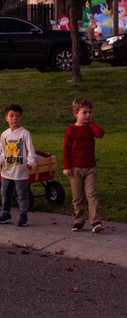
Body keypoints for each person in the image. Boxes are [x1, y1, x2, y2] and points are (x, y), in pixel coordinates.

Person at [63, 97, 105, 233]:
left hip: (90, 168)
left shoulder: (90, 129)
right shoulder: (71, 130)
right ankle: (79, 221)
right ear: (76, 113)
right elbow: (66, 150)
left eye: (90, 112)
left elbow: (100, 134)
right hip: (75, 169)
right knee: (77, 197)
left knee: (91, 194)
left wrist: (91, 123)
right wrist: (66, 167)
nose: (88, 115)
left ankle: (96, 222)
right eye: (85, 112)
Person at [0, 104, 37, 227]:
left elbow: (31, 153)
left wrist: (30, 163)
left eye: (17, 116)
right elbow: (2, 153)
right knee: (5, 192)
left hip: (20, 172)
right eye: (11, 116)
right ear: (6, 118)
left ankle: (23, 215)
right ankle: (6, 214)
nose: (14, 118)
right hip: (6, 171)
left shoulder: (25, 134)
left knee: (22, 194)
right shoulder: (4, 135)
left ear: (21, 117)